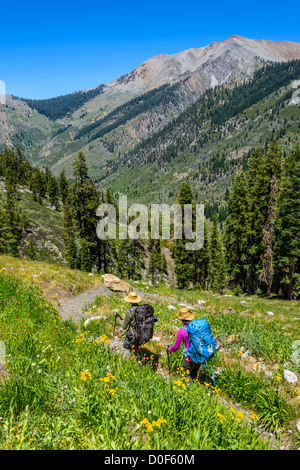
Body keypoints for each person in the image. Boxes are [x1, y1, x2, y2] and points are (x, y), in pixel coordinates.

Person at [166, 307, 200, 384]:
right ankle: (196, 387)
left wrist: (169, 349)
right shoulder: (197, 327)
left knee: (185, 375)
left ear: (181, 319)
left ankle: (190, 390)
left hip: (189, 356)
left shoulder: (182, 330)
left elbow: (176, 347)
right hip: (199, 355)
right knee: (194, 373)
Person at [114, 291, 142, 355]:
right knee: (136, 347)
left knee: (129, 347)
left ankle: (134, 362)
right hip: (141, 332)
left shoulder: (129, 312)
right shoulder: (142, 309)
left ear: (130, 301)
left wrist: (118, 318)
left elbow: (124, 326)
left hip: (133, 334)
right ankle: (138, 355)